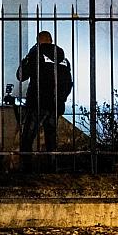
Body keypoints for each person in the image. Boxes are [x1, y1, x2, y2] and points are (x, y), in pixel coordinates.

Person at [17, 31, 73, 169]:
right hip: (56, 105)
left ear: (38, 41)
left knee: (27, 137)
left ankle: (27, 168)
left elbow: (21, 75)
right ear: (51, 40)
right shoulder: (64, 59)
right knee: (51, 138)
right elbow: (69, 83)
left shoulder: (36, 55)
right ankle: (52, 167)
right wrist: (61, 98)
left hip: (38, 103)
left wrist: (27, 57)